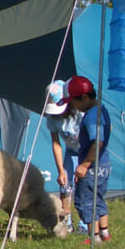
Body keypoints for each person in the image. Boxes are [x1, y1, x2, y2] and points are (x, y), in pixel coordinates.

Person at [58, 75, 112, 244]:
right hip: (104, 163)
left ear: (84, 97)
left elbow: (98, 143)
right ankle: (105, 233)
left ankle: (94, 237)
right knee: (98, 198)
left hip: (92, 167)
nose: (73, 106)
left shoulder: (90, 117)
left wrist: (84, 165)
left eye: (73, 102)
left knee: (85, 201)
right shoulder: (102, 109)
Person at [43, 80, 87, 234]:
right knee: (65, 184)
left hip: (87, 152)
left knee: (85, 184)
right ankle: (66, 221)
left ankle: (86, 222)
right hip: (71, 151)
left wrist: (86, 164)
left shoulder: (81, 112)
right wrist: (61, 170)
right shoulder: (52, 117)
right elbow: (56, 144)